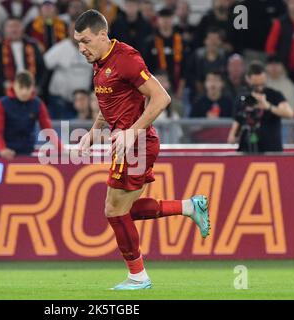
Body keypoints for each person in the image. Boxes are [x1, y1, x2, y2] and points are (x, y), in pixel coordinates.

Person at [74, 10, 210, 291]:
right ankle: (188, 206)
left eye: (85, 41)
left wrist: (131, 133)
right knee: (122, 211)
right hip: (127, 144)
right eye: (78, 42)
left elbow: (162, 98)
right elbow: (108, 102)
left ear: (102, 35)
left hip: (136, 145)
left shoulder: (126, 59)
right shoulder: (99, 61)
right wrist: (93, 132)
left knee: (114, 210)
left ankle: (138, 277)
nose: (81, 48)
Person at [0, 70, 62, 159]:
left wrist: (62, 150)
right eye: (21, 87)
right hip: (3, 153)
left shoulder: (38, 104)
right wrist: (2, 149)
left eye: (27, 88)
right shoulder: (2, 104)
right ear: (14, 86)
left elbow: (48, 131)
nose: (24, 92)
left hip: (25, 152)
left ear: (33, 87)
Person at [227, 61, 294, 153]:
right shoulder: (242, 98)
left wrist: (268, 106)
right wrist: (234, 135)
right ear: (248, 79)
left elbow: (289, 113)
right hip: (247, 151)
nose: (259, 88)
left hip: (272, 151)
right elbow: (233, 133)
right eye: (255, 85)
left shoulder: (274, 95)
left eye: (262, 84)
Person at [44, 22, 93, 119]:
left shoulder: (93, 48)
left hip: (83, 104)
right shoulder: (60, 48)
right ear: (69, 31)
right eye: (74, 30)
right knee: (61, 133)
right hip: (60, 102)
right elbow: (44, 64)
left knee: (81, 133)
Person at [0, 17, 46, 97]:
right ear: (5, 29)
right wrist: (4, 84)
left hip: (31, 89)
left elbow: (42, 69)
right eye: (11, 26)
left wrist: (38, 86)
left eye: (17, 26)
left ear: (23, 28)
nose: (14, 30)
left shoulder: (32, 46)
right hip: (7, 91)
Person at [143, 8, 185, 98]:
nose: (165, 21)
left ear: (173, 20)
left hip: (176, 86)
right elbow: (144, 67)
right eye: (163, 18)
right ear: (158, 20)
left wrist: (181, 88)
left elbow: (184, 66)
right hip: (155, 86)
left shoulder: (180, 41)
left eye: (168, 18)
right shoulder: (150, 42)